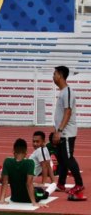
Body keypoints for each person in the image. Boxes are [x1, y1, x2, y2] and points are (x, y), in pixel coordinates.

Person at [52, 66, 84, 194]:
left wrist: (59, 131)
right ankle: (61, 183)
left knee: (68, 158)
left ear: (60, 75)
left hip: (66, 133)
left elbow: (68, 112)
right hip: (61, 132)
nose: (53, 77)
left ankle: (79, 184)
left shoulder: (68, 91)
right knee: (62, 159)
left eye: (54, 74)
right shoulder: (63, 92)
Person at [0, 138, 51, 207]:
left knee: (35, 187)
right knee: (43, 192)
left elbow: (4, 182)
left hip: (15, 198)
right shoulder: (30, 163)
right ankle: (49, 188)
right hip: (29, 198)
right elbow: (29, 184)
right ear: (26, 152)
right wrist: (34, 203)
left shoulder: (7, 161)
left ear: (13, 151)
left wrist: (2, 200)